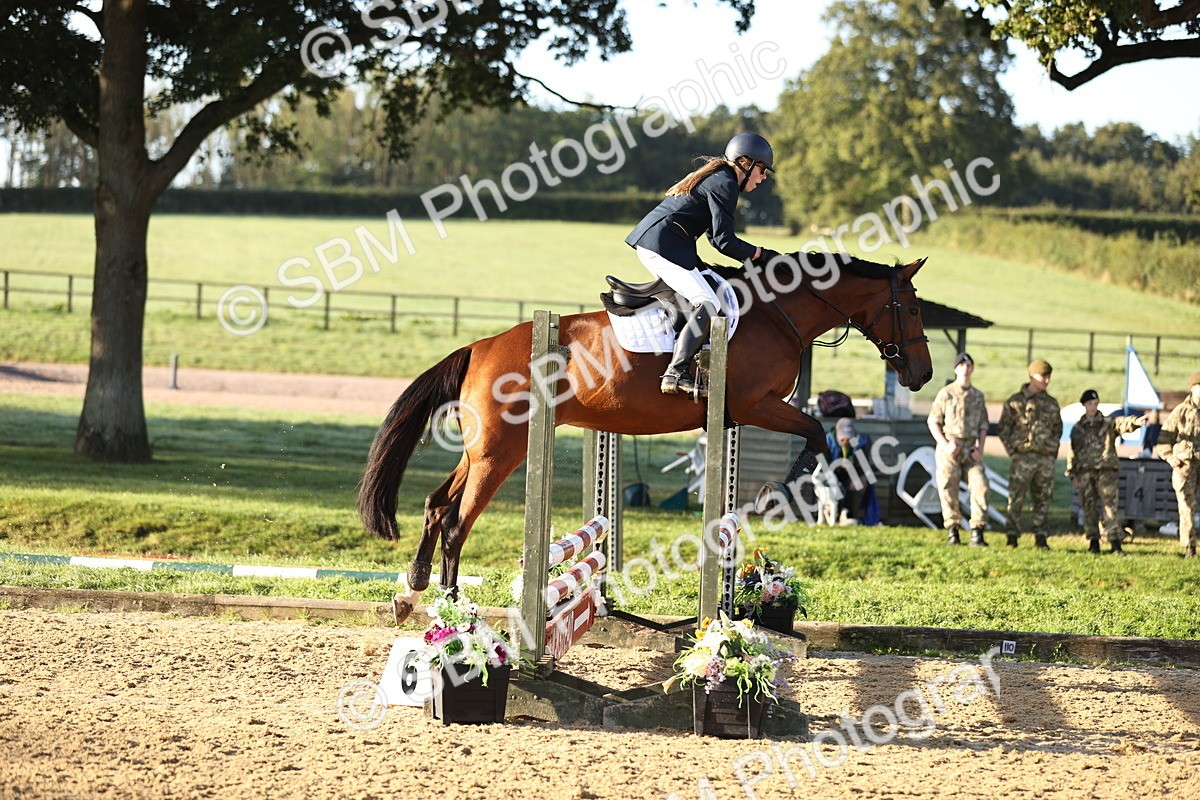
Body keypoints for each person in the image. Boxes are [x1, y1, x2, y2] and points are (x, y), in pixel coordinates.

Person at [625, 133, 779, 394]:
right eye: (762, 170)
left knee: (712, 285)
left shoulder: (721, 178)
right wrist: (760, 255)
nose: (763, 177)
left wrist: (754, 256)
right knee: (707, 302)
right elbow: (723, 241)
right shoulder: (726, 184)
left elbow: (714, 236)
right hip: (661, 245)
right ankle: (675, 372)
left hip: (668, 244)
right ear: (745, 163)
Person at [1067, 389, 1147, 555]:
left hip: (1106, 472)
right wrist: (1072, 474)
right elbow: (1073, 451)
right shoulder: (1078, 428)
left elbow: (1122, 423)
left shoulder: (1107, 423)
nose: (1093, 407)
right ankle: (1093, 542)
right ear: (1084, 405)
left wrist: (1136, 422)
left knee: (1110, 507)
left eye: (1095, 403)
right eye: (1090, 404)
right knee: (1089, 507)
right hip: (1086, 472)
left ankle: (1115, 542)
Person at [998, 359, 1062, 550]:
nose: (1047, 380)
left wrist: (1051, 453)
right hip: (1022, 458)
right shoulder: (1015, 402)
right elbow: (1004, 429)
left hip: (1045, 459)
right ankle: (1012, 536)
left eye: (1049, 376)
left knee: (1043, 499)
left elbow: (1057, 430)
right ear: (1032, 375)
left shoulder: (1051, 403)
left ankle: (1041, 537)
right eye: (1043, 376)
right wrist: (1013, 453)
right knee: (1016, 498)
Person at [927, 353, 990, 546]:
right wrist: (945, 445)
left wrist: (980, 448)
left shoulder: (977, 396)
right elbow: (933, 422)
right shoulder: (946, 394)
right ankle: (953, 531)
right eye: (962, 365)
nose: (965, 369)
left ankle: (977, 531)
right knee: (948, 487)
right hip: (950, 448)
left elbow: (983, 425)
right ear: (955, 369)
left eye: (969, 365)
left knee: (980, 485)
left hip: (970, 449)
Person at [1155, 372, 1200, 557]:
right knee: (1187, 506)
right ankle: (1190, 546)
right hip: (1185, 466)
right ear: (1191, 388)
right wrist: (1169, 457)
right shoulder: (1181, 411)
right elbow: (1164, 438)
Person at [823, 417, 880, 525]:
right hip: (831, 475)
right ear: (837, 433)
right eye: (842, 439)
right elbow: (824, 465)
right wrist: (838, 466)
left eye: (848, 439)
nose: (845, 442)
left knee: (861, 482)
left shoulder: (861, 442)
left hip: (851, 474)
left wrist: (859, 474)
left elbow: (863, 465)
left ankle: (848, 514)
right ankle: (833, 515)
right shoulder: (827, 440)